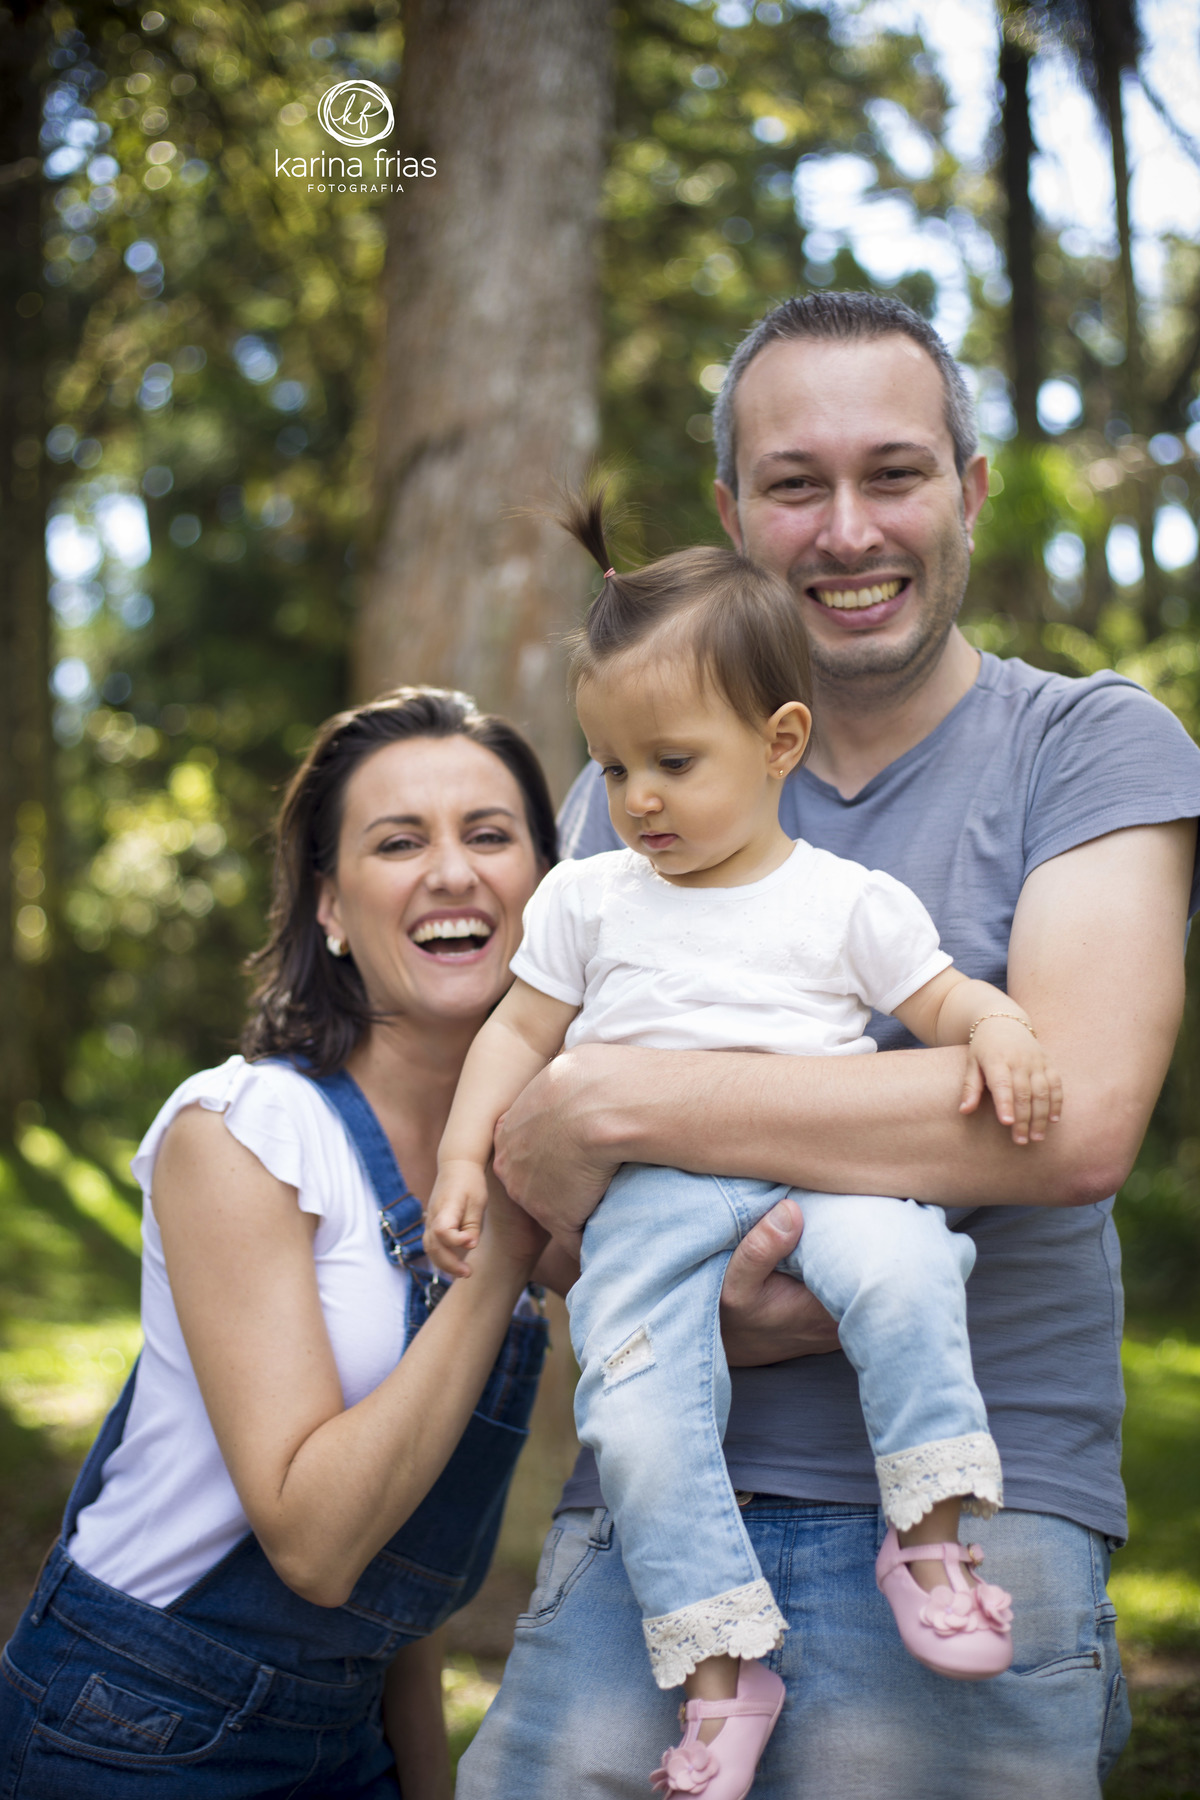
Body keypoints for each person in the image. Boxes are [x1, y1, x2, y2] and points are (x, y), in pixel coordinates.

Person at [457, 293, 1200, 1800]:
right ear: (735, 516)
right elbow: (540, 1196)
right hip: (653, 1510)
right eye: (797, 485)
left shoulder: (1089, 747)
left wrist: (627, 1099)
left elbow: (1069, 1121)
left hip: (984, 1521)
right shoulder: (632, 803)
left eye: (897, 473)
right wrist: (597, 1176)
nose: (849, 528)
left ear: (970, 490)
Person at [0, 686, 575, 1800]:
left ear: (547, 892)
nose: (452, 871)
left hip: (345, 1733)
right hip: (133, 1730)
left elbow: (393, 1553)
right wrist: (507, 1241)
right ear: (329, 909)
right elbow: (317, 1543)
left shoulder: (513, 1147)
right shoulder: (246, 1135)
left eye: (490, 835)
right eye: (398, 841)